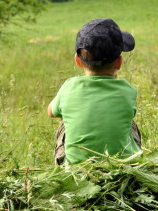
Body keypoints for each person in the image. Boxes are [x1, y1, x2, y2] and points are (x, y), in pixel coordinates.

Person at [47, 18, 142, 165]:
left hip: (77, 171)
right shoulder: (128, 90)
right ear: (119, 62)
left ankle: (69, 163)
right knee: (130, 123)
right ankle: (130, 157)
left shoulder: (69, 87)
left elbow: (50, 112)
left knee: (65, 120)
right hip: (123, 167)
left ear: (77, 61)